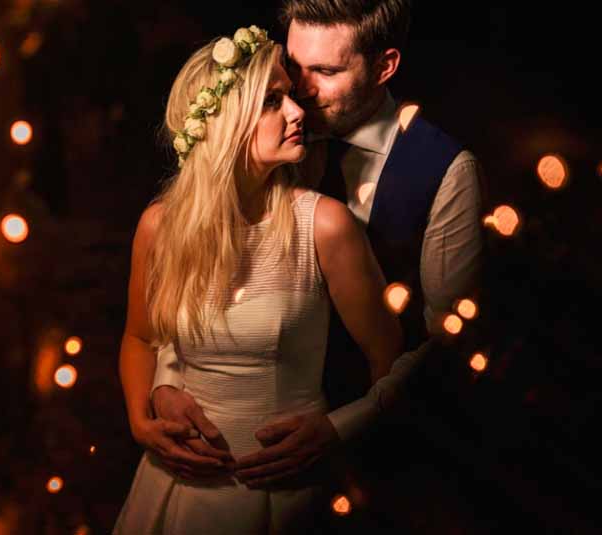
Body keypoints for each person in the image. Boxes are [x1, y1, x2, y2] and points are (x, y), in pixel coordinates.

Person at [148, 0, 486, 508]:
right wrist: (167, 383)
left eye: (326, 71)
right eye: (295, 66)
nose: (301, 92)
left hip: (376, 467)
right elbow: (202, 280)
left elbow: (450, 342)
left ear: (384, 66)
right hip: (232, 455)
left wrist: (344, 428)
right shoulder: (267, 141)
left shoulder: (446, 173)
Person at [114, 25, 403, 534]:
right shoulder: (160, 227)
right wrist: (144, 419)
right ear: (225, 121)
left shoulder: (325, 226)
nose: (297, 113)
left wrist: (337, 432)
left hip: (284, 495)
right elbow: (140, 338)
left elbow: (392, 359)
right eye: (273, 101)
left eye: (289, 95)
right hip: (175, 489)